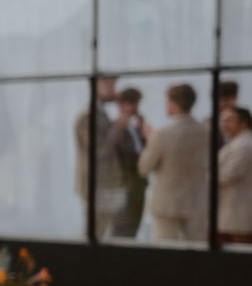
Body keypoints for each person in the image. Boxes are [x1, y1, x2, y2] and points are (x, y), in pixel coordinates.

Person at [138, 83, 210, 243]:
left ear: (173, 102)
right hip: (197, 202)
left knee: (166, 254)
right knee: (196, 252)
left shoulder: (163, 134)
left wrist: (150, 141)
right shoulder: (205, 132)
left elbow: (144, 168)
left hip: (167, 205)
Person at [75, 75, 124, 238]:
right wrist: (118, 127)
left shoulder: (102, 114)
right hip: (97, 185)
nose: (114, 90)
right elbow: (98, 149)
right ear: (96, 86)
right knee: (94, 234)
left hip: (107, 185)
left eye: (114, 86)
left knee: (104, 232)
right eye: (109, 85)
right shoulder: (86, 116)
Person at [110, 87, 148, 238]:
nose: (136, 108)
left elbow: (143, 153)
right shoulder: (115, 129)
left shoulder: (135, 128)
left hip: (138, 185)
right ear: (121, 105)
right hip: (124, 186)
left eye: (137, 103)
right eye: (132, 103)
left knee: (133, 227)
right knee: (122, 228)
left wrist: (142, 130)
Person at [218, 105, 252, 245]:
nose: (224, 124)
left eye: (230, 120)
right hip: (233, 209)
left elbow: (227, 175)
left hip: (238, 211)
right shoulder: (237, 142)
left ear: (243, 123)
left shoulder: (245, 145)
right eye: (223, 120)